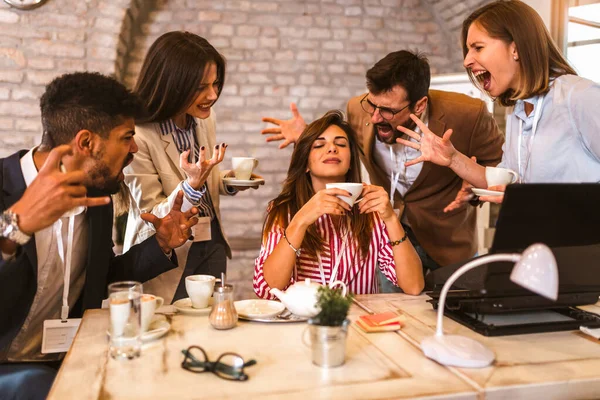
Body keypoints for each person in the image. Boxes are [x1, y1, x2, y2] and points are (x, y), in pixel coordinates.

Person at [0, 72, 198, 399]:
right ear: (86, 143)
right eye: (126, 137)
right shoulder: (5, 189)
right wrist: (15, 227)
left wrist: (160, 243)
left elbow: (102, 277)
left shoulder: (98, 199)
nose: (135, 147)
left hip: (71, 359)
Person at [261, 51, 504, 277]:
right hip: (388, 237)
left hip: (449, 240)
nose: (375, 117)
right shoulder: (357, 109)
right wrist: (310, 138)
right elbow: (336, 147)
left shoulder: (468, 114)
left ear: (419, 106)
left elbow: (497, 161)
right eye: (372, 104)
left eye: (387, 110)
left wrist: (471, 187)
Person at [397, 1, 600, 203]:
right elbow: (503, 182)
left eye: (478, 47)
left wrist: (535, 199)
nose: (467, 61)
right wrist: (452, 158)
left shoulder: (580, 97)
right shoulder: (518, 109)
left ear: (516, 48)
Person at [124, 31, 260, 304]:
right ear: (171, 84)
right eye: (201, 86)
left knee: (208, 325)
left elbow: (201, 174)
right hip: (169, 251)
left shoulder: (203, 119)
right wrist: (192, 185)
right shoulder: (137, 136)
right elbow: (151, 214)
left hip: (212, 241)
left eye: (215, 83)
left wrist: (228, 181)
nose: (212, 95)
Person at [254, 110, 424, 298]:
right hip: (301, 323)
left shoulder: (370, 209)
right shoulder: (284, 210)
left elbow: (414, 286)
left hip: (357, 323)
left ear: (350, 161)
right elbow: (268, 290)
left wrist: (391, 219)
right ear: (306, 164)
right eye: (319, 145)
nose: (332, 148)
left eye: (341, 144)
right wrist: (300, 221)